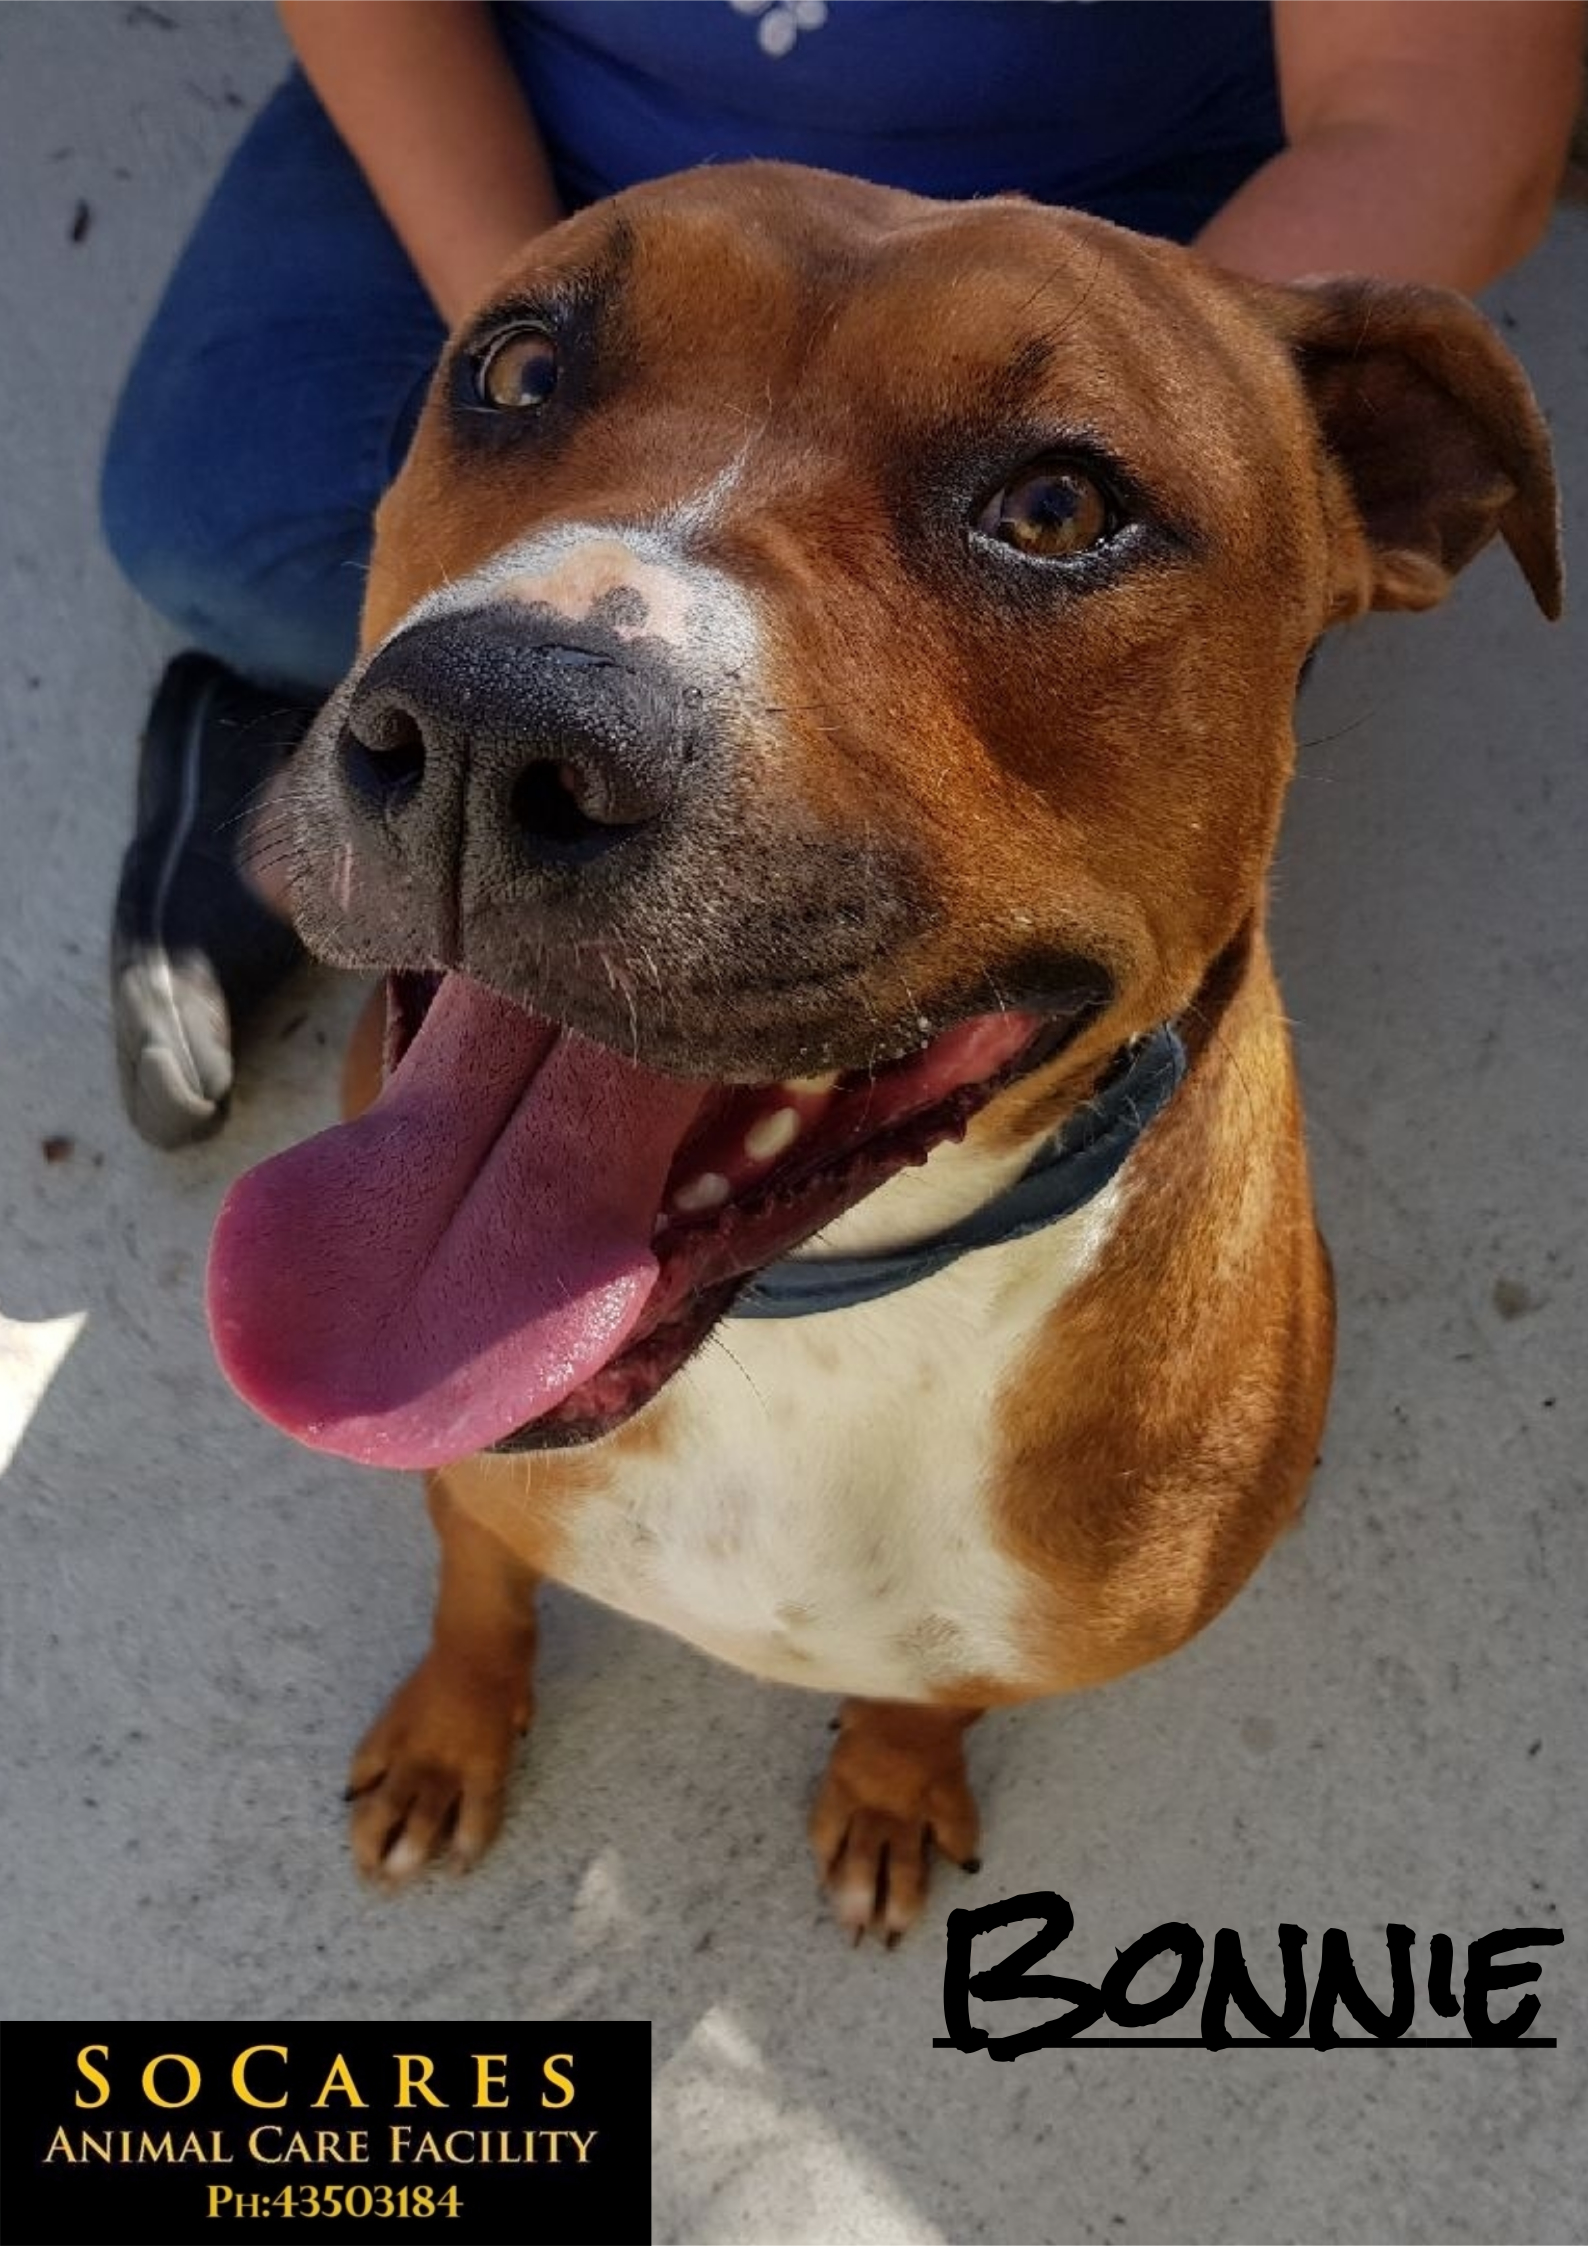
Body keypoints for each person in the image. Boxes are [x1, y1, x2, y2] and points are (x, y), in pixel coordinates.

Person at [102, 0, 1584, 1146]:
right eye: (523, 381)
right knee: (214, 521)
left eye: (1052, 512)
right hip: (569, 147)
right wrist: (549, 325)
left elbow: (1442, 112)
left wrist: (1188, 383)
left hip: (1125, 219)